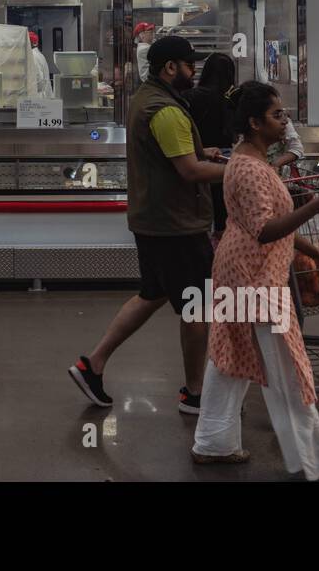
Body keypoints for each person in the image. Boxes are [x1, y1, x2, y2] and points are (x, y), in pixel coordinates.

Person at [191, 81, 319, 481]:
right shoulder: (250, 170)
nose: (285, 122)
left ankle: (213, 441)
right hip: (254, 280)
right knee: (287, 369)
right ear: (255, 123)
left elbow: (268, 227)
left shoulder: (248, 161)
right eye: (277, 115)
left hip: (237, 272)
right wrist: (315, 206)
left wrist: (314, 256)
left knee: (230, 360)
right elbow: (264, 229)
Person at [69, 36, 227, 412]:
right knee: (195, 307)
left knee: (152, 294)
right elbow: (188, 171)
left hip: (153, 221)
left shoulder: (146, 97)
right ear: (170, 67)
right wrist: (238, 168)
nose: (194, 72)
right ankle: (195, 392)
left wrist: (203, 152)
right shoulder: (166, 109)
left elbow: (172, 154)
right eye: (189, 65)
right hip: (177, 226)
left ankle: (93, 364)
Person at [184, 52, 237, 244]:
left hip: (196, 157)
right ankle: (222, 249)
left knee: (200, 211)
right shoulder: (233, 98)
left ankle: (204, 251)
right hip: (225, 160)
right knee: (224, 213)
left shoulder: (190, 96)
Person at [28, 30, 52, 97]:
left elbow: (38, 81)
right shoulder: (39, 55)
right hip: (42, 95)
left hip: (37, 97)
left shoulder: (32, 56)